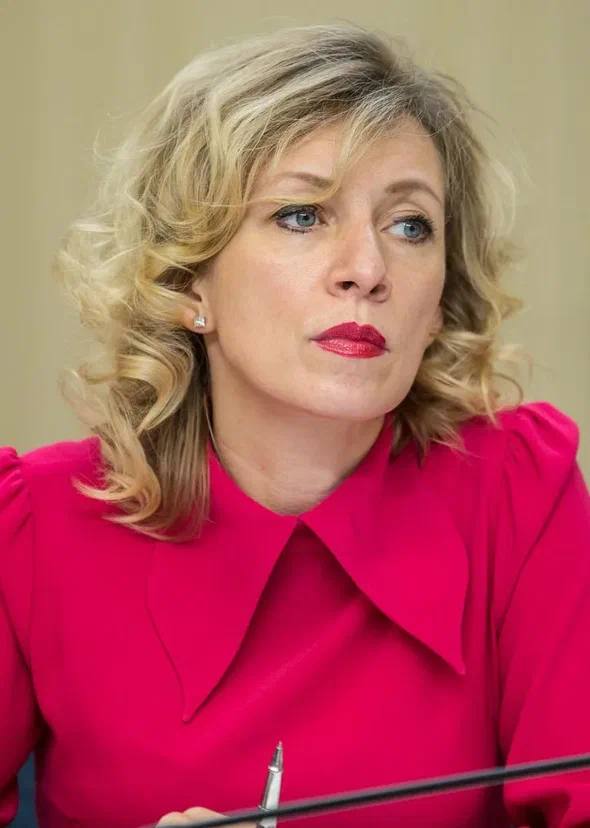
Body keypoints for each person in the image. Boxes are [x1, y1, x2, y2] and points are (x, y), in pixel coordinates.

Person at [1, 21, 589, 828]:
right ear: (188, 282)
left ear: (438, 304)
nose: (369, 270)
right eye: (303, 215)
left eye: (409, 225)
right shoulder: (35, 529)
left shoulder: (519, 495)